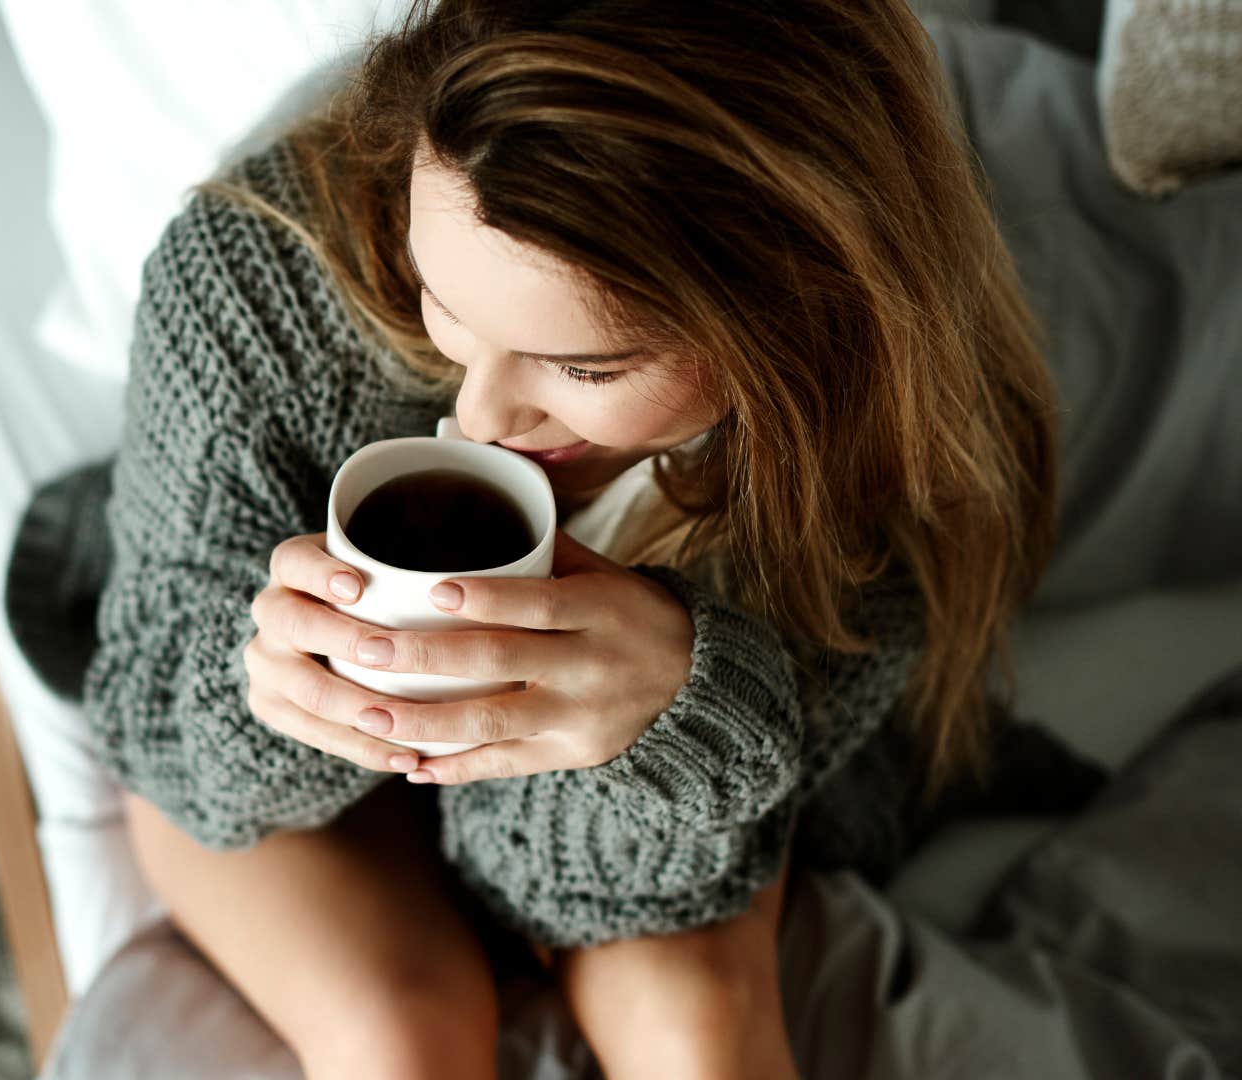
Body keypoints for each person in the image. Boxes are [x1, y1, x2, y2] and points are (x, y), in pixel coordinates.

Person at [82, 1, 1059, 1076]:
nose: (487, 416)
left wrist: (681, 721)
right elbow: (159, 720)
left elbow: (534, 885)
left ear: (796, 319)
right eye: (439, 295)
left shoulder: (881, 461)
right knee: (396, 1041)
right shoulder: (250, 280)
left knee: (700, 1028)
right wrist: (265, 694)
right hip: (265, 770)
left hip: (615, 828)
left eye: (584, 368)